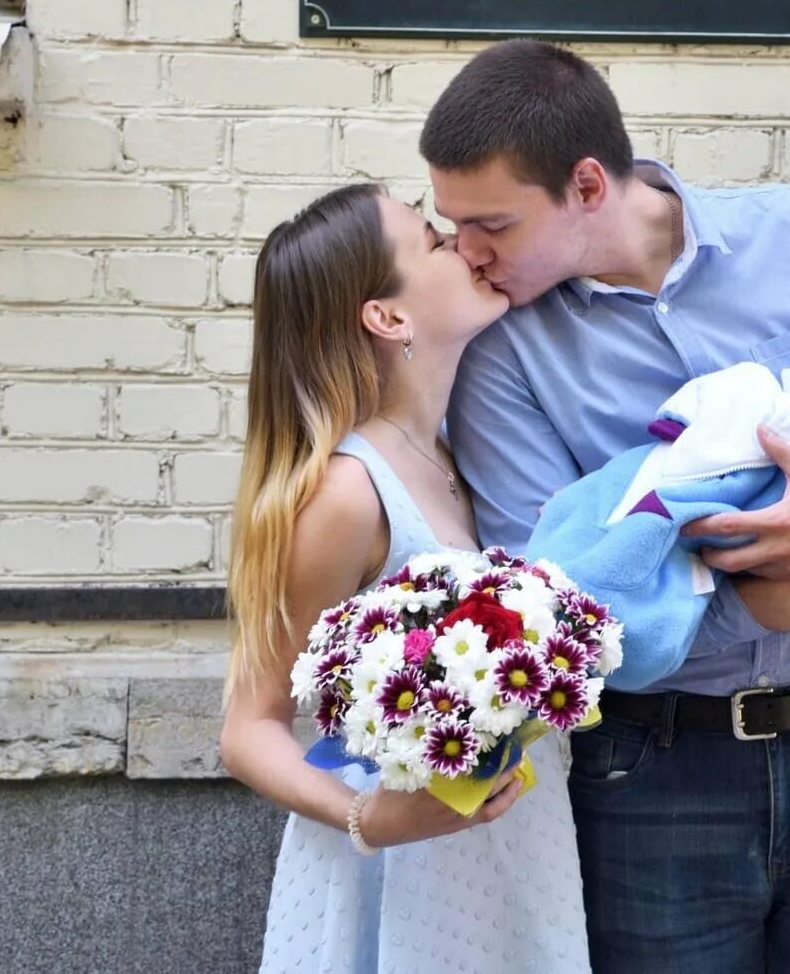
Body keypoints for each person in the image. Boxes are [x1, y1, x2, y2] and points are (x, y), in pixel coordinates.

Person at [426, 39, 790, 973]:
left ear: (589, 185)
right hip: (656, 776)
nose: (467, 255)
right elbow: (549, 598)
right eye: (450, 225)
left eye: (491, 223)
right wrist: (761, 596)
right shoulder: (503, 354)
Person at [218, 183, 591, 974]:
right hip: (400, 876)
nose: (462, 246)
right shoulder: (348, 494)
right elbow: (248, 726)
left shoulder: (465, 449)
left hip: (511, 857)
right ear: (387, 317)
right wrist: (366, 818)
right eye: (431, 241)